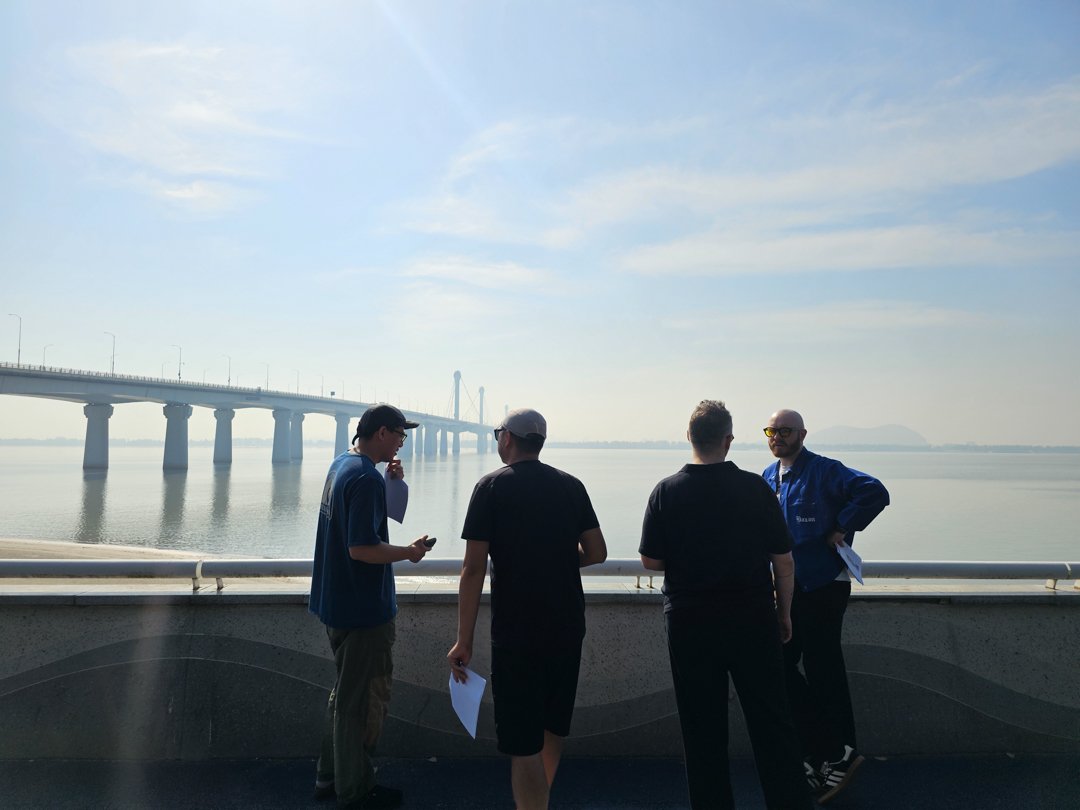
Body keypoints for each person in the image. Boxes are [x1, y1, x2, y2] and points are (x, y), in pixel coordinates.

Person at [639, 400, 812, 810]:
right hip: (752, 617)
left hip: (690, 621)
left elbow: (650, 560)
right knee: (773, 722)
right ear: (728, 440)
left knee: (701, 728)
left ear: (689, 437)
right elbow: (783, 560)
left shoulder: (666, 491)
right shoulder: (756, 488)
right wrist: (783, 613)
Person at [447, 408, 608, 810]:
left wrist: (463, 640)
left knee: (522, 742)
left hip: (517, 634)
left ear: (507, 439)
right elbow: (597, 552)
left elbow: (472, 569)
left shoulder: (490, 488)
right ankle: (539, 802)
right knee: (552, 729)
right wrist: (555, 556)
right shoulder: (571, 486)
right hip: (567, 627)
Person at [762, 408, 890, 804]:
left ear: (802, 434)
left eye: (785, 430)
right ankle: (827, 750)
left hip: (822, 587)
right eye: (771, 430)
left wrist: (843, 524)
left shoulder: (825, 470)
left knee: (823, 670)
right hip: (786, 589)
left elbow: (875, 491)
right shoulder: (769, 477)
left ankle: (835, 756)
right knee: (780, 666)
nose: (777, 437)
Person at [309, 404, 432, 810]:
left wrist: (391, 483)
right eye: (400, 434)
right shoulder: (364, 479)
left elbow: (375, 521)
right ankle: (355, 789)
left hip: (336, 602)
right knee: (361, 701)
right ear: (382, 433)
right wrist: (410, 553)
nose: (402, 442)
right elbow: (362, 548)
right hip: (362, 610)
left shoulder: (343, 465)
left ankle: (330, 775)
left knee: (344, 694)